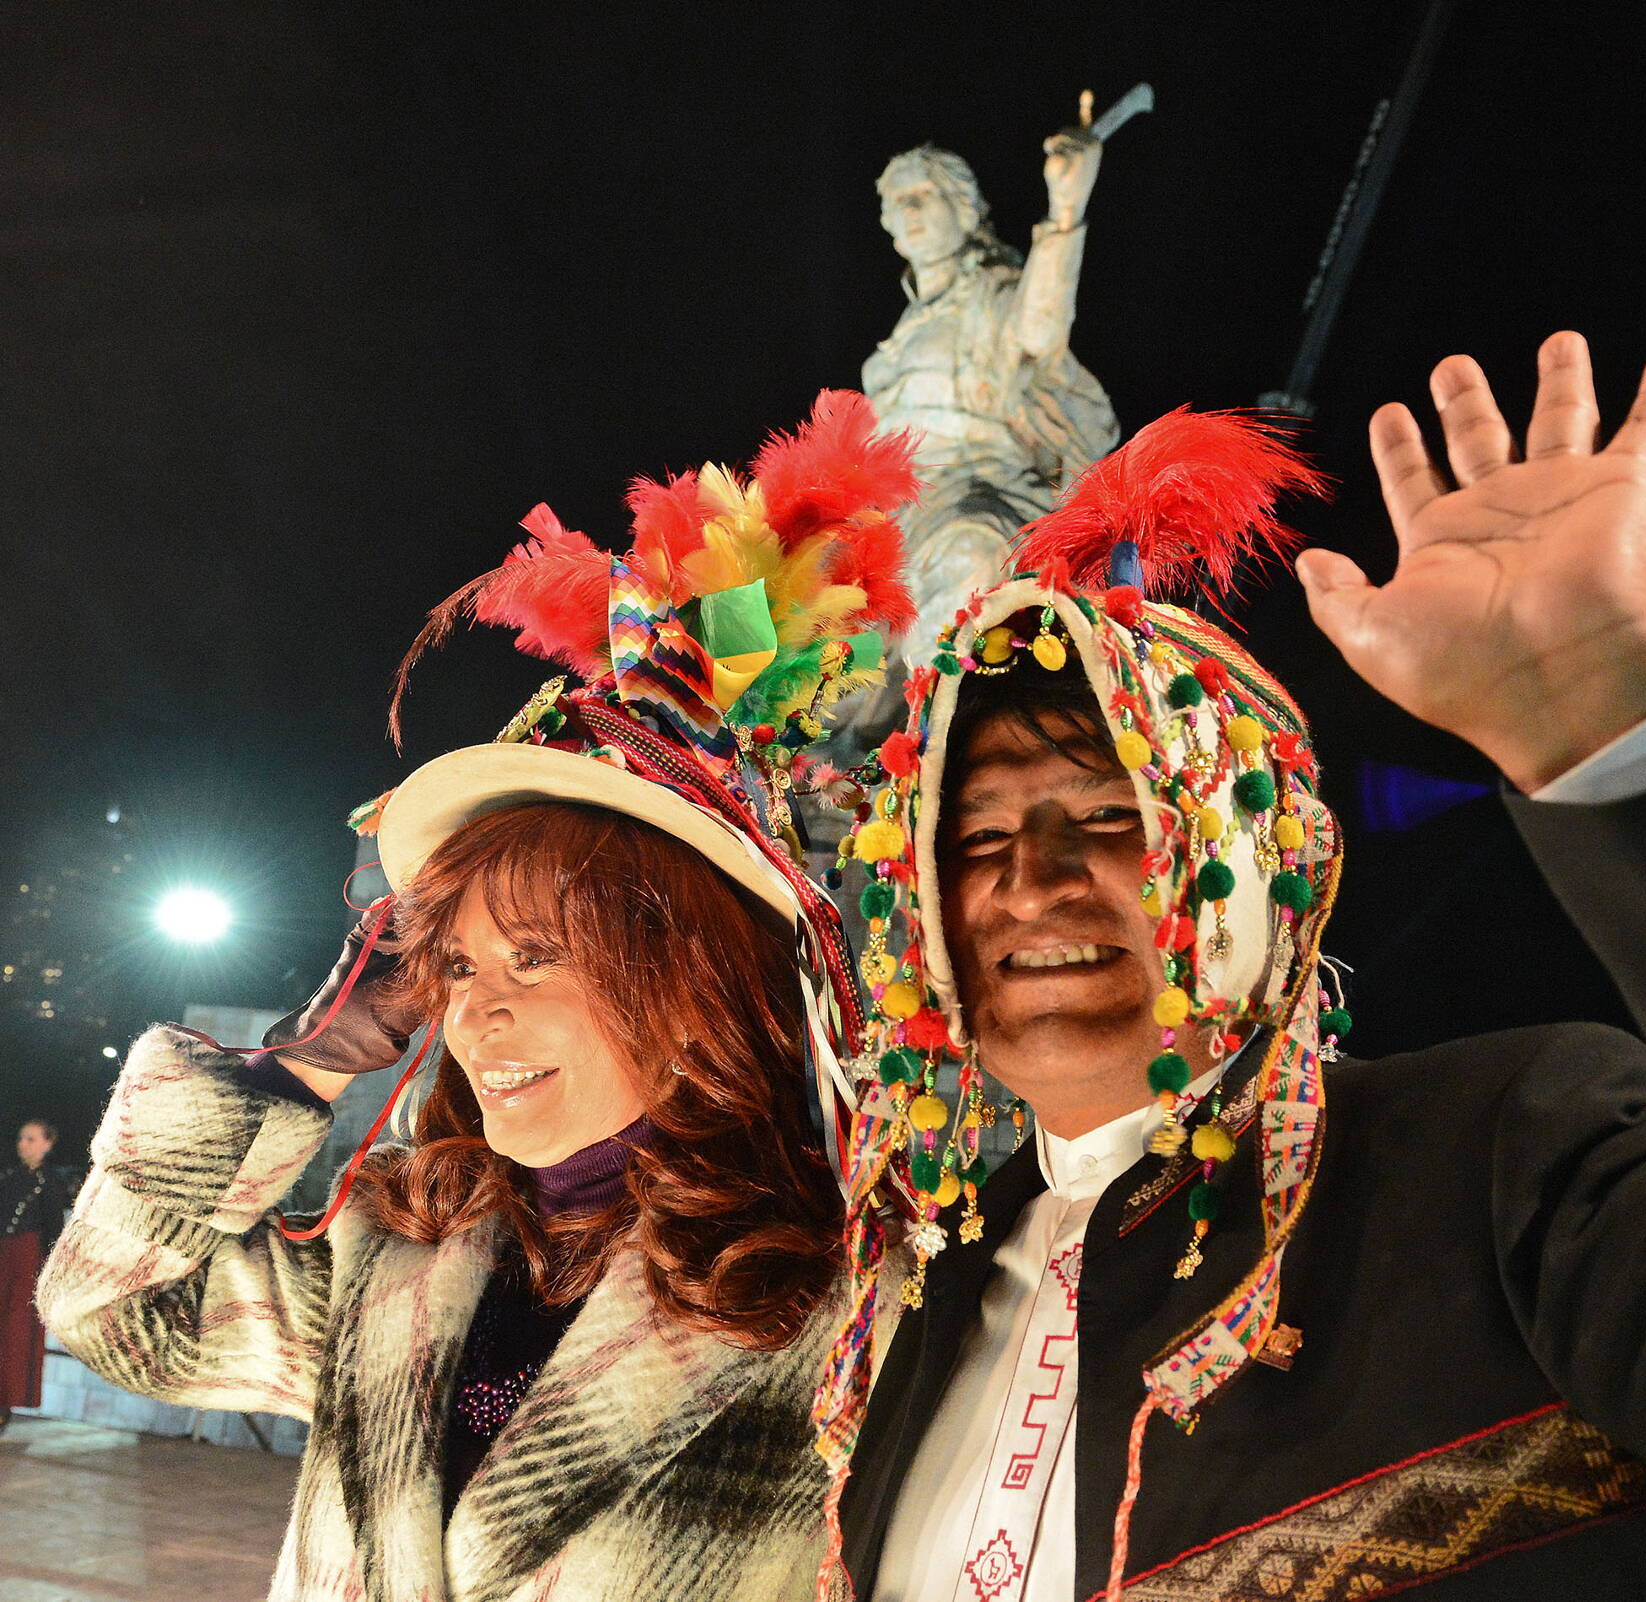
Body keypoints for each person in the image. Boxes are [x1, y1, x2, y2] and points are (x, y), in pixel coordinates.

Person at [809, 334, 1646, 1600]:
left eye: (1110, 815)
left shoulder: (1504, 1154)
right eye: (974, 838)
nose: (1029, 881)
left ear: (1250, 861)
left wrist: (1624, 728)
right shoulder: (904, 1300)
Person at [38, 393, 921, 1601]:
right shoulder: (401, 1255)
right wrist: (310, 1059)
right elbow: (105, 1310)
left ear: (691, 980)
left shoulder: (843, 1303)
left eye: (542, 958)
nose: (477, 1014)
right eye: (457, 965)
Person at [863, 135, 1119, 666]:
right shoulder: (891, 349)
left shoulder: (993, 295)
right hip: (896, 522)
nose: (908, 210)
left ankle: (932, 730)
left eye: (925, 195)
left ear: (966, 211)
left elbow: (1039, 332)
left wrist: (1066, 211)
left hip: (984, 497)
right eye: (897, 200)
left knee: (969, 559)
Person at [2, 1117, 70, 1431]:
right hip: (4, 1255)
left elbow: (54, 1229)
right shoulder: (11, 1176)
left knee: (17, 1330)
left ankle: (6, 1401)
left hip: (28, 1259)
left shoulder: (51, 1180)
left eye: (30, 1139)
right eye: (22, 1138)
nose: (23, 1144)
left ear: (47, 1144)